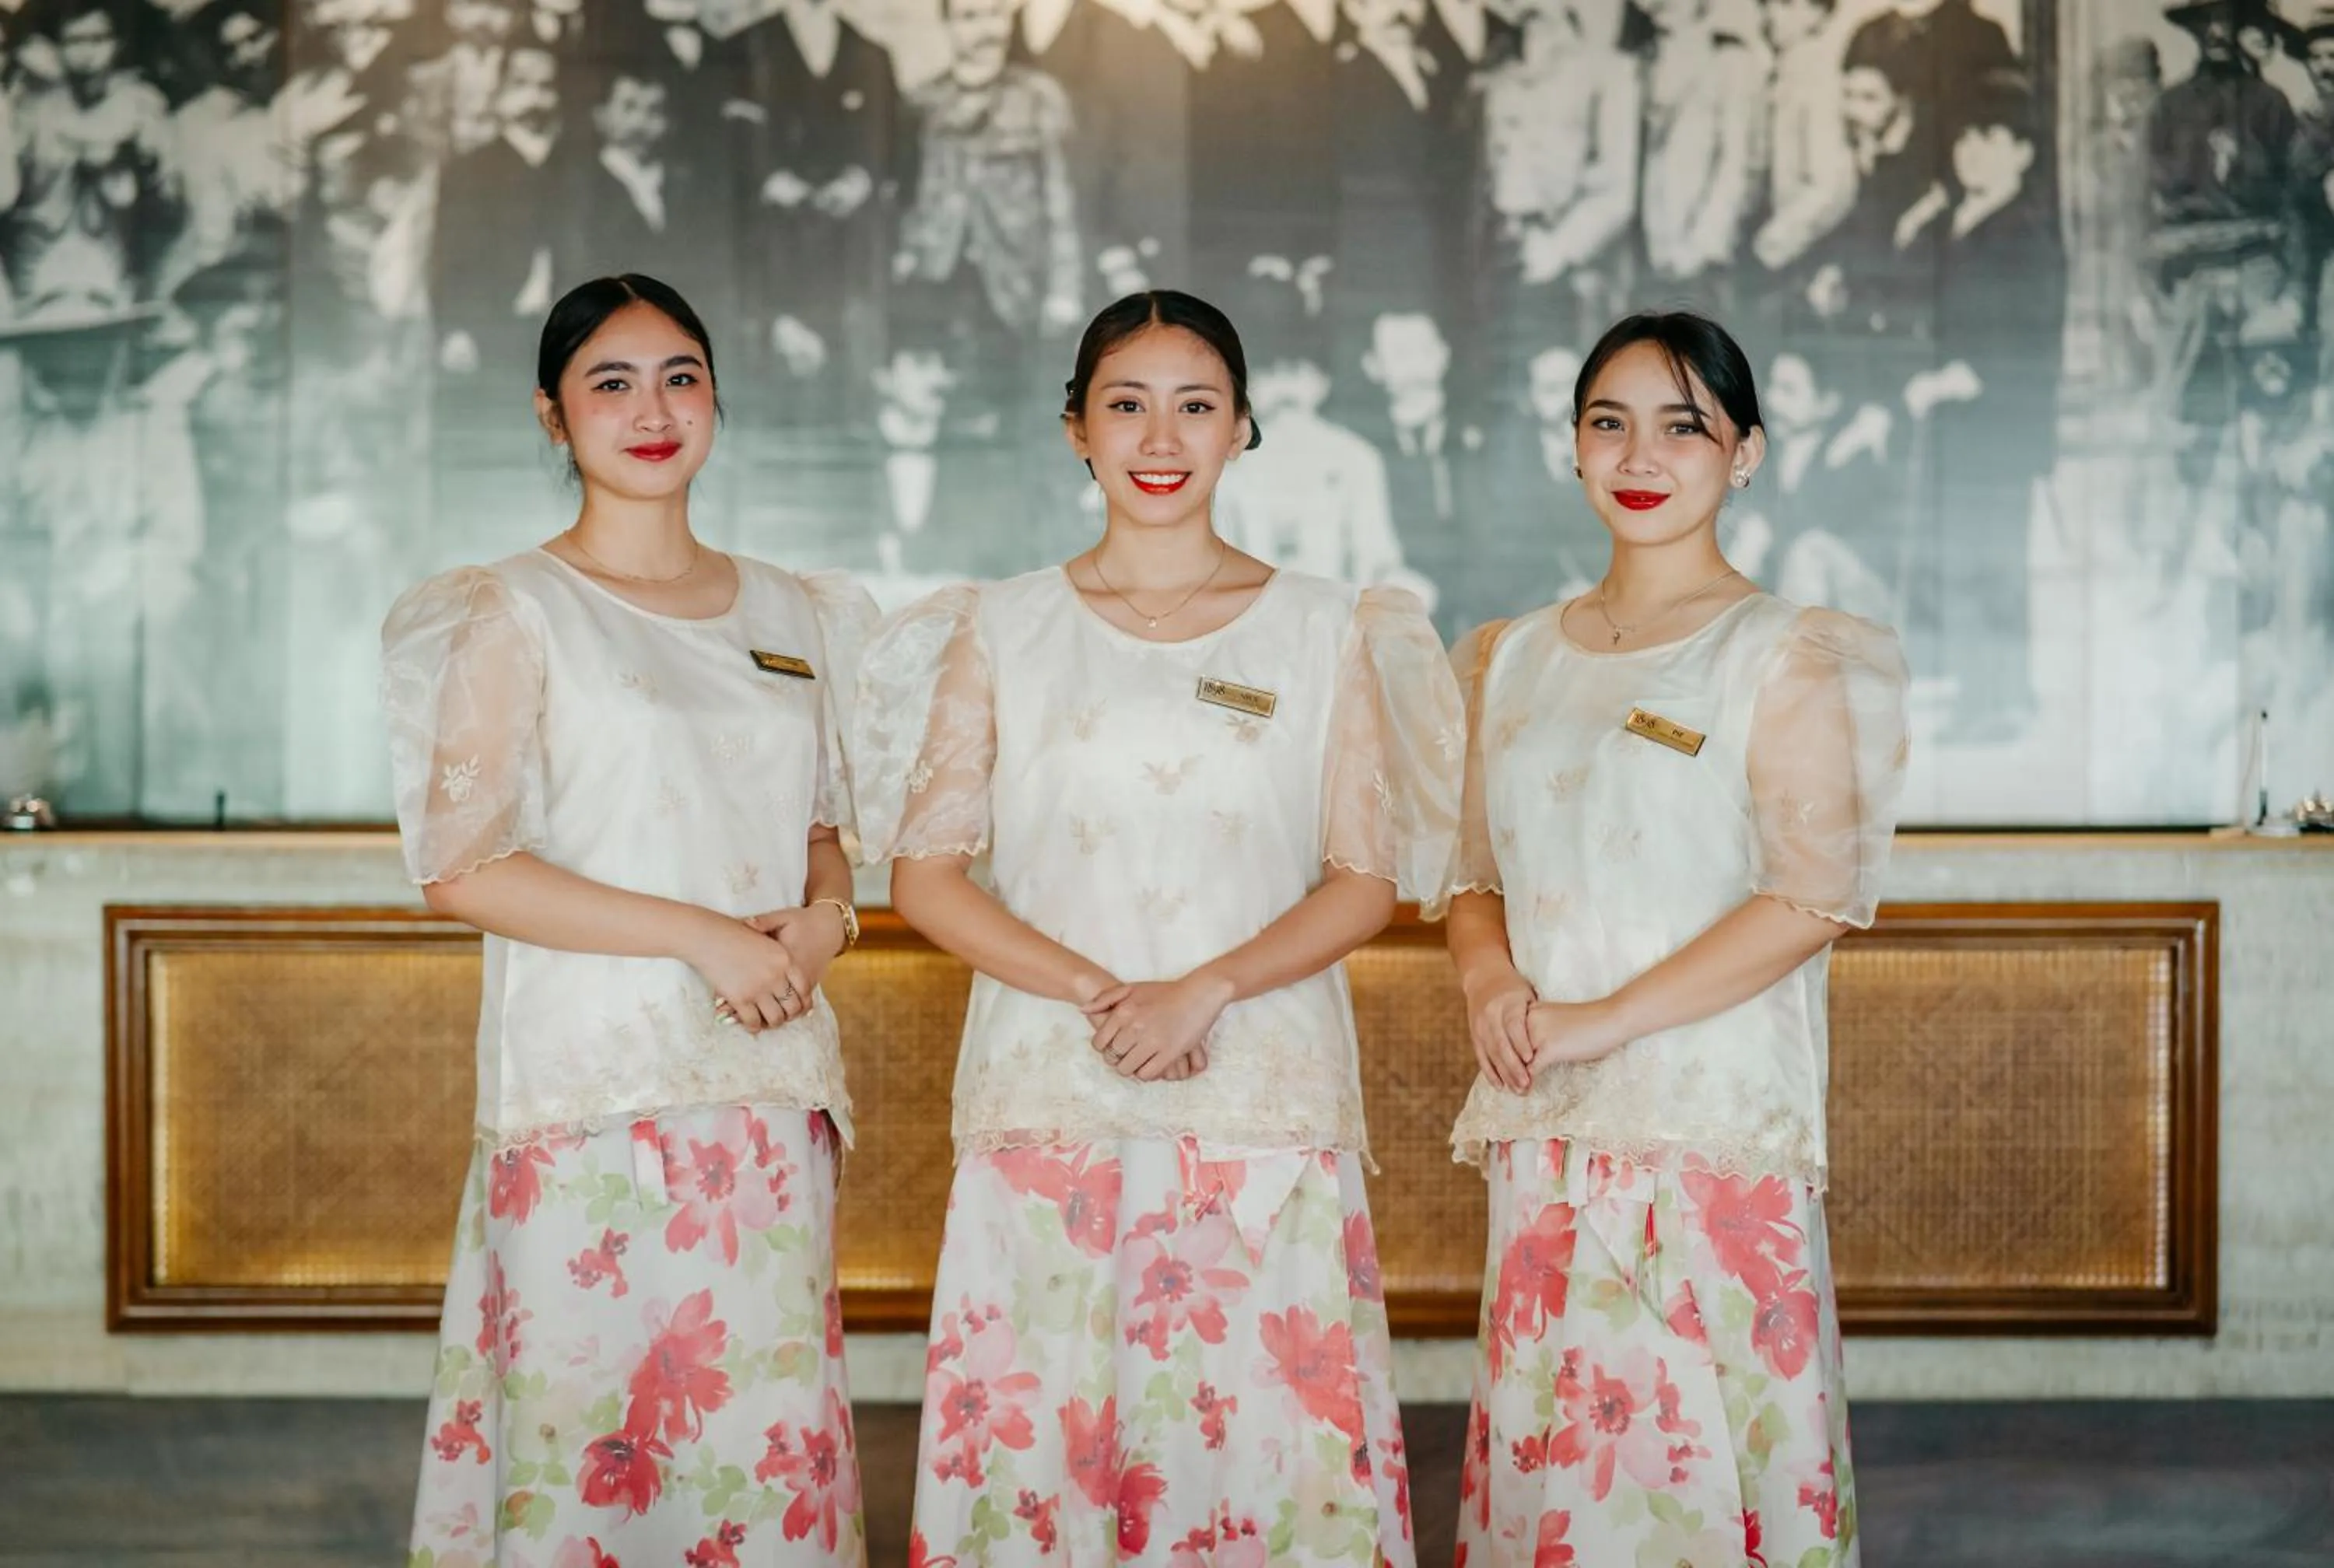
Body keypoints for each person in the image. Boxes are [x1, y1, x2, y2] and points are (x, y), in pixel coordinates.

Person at [855, 289, 1460, 1566]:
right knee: (1047, 1442)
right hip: (1048, 1089)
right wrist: (1108, 995)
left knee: (1259, 1447)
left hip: (1262, 1089)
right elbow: (927, 877)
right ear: (1075, 427)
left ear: (1245, 429)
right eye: (1126, 404)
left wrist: (1206, 992)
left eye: (1198, 404)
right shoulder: (998, 626)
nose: (1161, 435)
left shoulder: (1331, 627)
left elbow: (1367, 879)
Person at [383, 275, 874, 1566]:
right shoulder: (512, 609)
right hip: (587, 1096)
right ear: (553, 416)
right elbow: (461, 866)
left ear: (714, 398)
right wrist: (697, 933)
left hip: (766, 1084)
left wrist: (826, 925)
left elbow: (827, 826)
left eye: (680, 378)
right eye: (611, 383)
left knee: (758, 1445)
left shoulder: (794, 611)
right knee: (589, 1446)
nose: (652, 411)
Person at [1442, 310, 1908, 1567]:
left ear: (1743, 453)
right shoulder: (1507, 657)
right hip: (1544, 1115)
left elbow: (1810, 900)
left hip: (1711, 1131)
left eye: (1683, 425)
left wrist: (1604, 1019)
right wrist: (1489, 977)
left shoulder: (1785, 653)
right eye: (1609, 423)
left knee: (1703, 1470)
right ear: (1575, 447)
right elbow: (1472, 872)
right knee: (1560, 1471)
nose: (1640, 455)